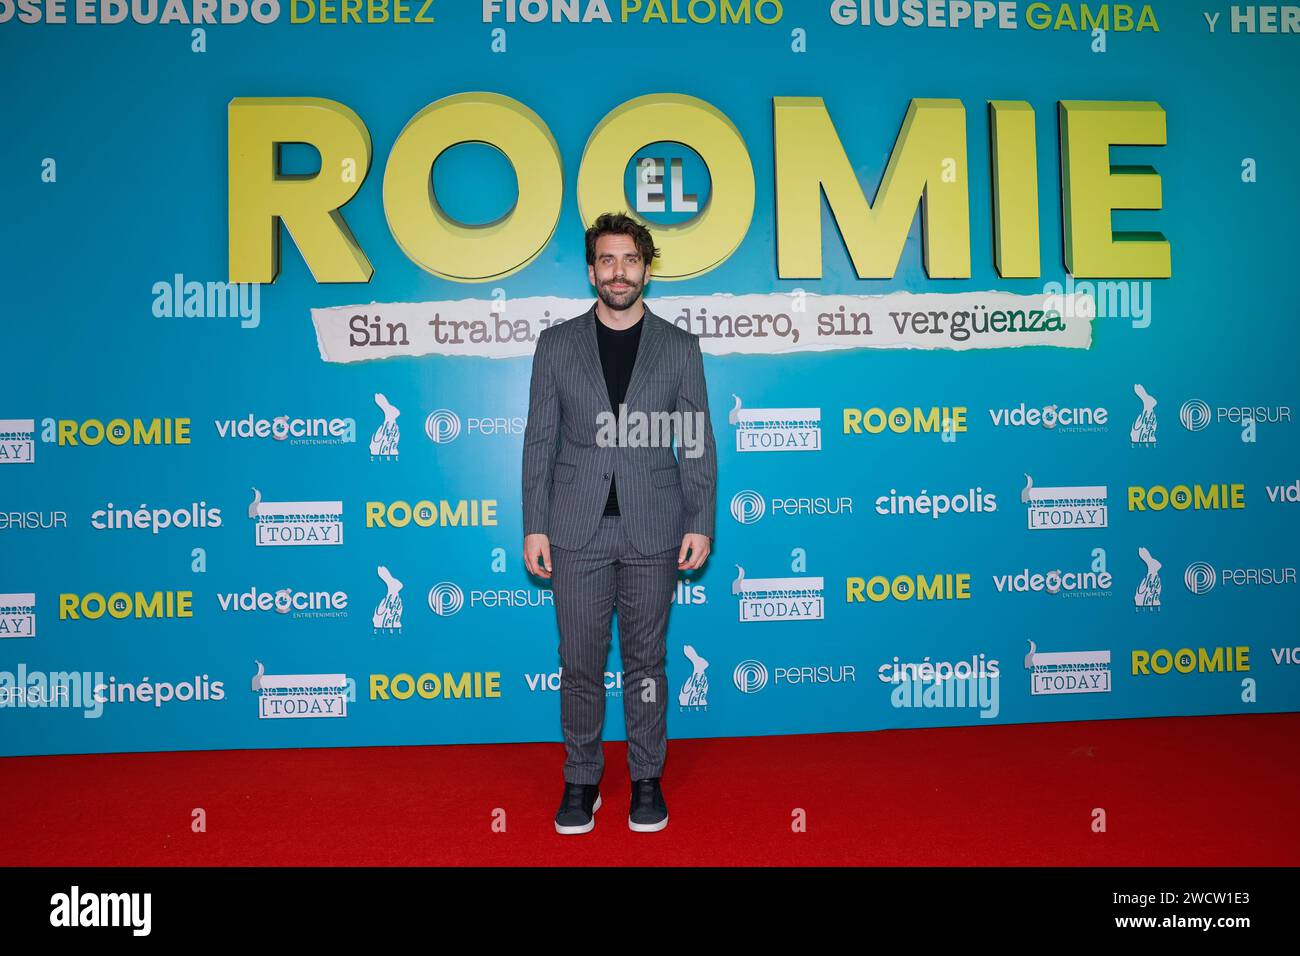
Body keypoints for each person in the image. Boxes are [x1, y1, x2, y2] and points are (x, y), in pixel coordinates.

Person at [521, 211, 717, 834]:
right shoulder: (555, 345)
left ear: (646, 269)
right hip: (575, 530)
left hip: (654, 529)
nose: (618, 272)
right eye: (607, 260)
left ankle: (646, 779)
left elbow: (695, 441)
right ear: (591, 271)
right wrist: (534, 524)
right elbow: (539, 441)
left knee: (646, 663)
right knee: (578, 662)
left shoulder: (680, 347)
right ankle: (581, 781)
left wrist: (700, 519)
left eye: (630, 260)